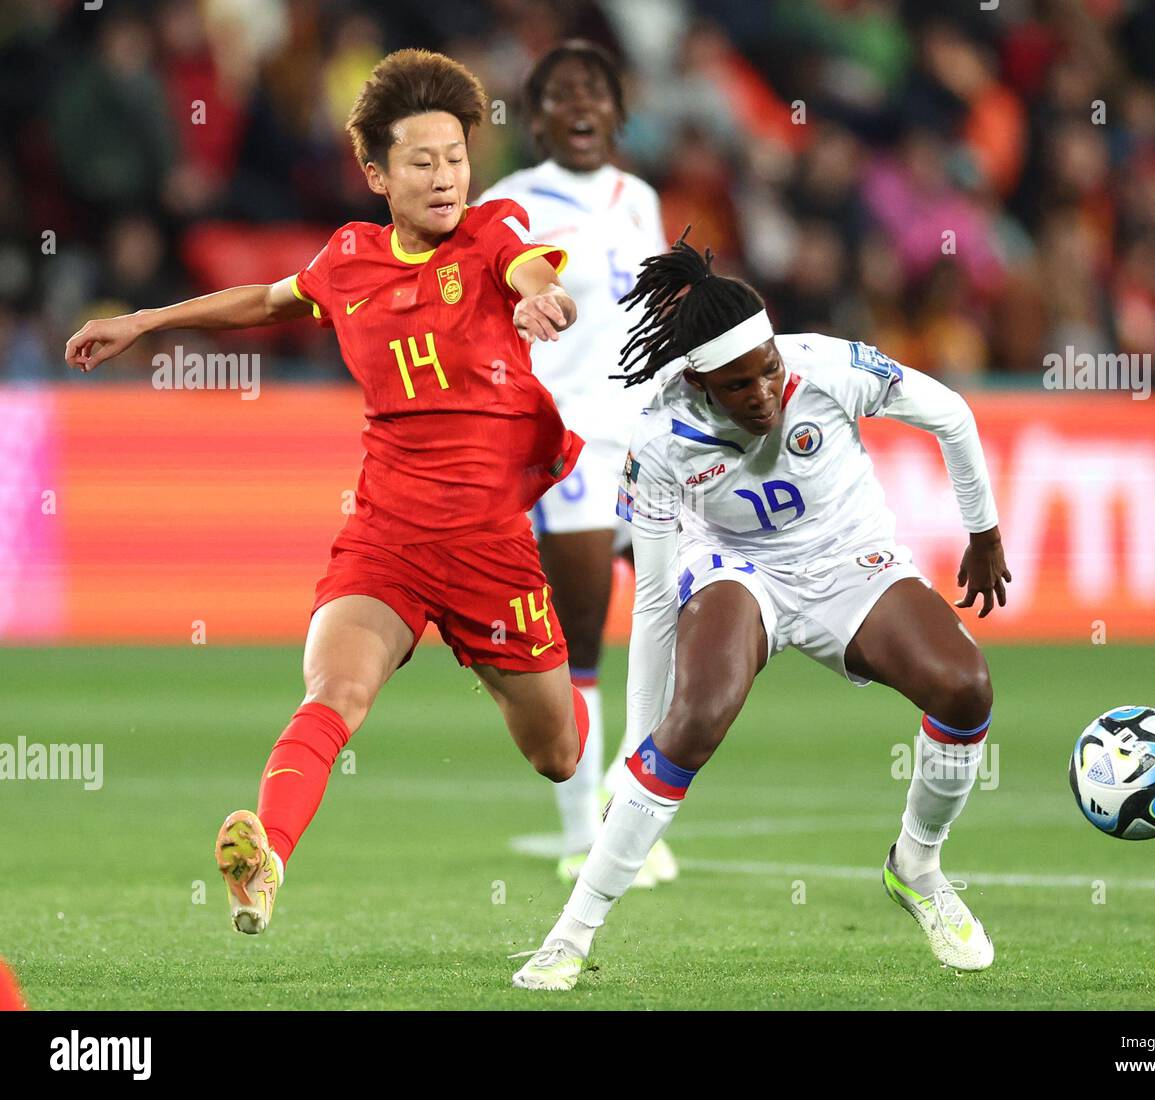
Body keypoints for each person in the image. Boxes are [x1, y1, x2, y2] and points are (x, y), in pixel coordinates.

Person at [65, 49, 591, 936]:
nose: (444, 177)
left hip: (490, 551)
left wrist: (546, 298)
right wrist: (149, 320)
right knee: (332, 694)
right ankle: (265, 856)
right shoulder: (347, 260)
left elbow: (530, 270)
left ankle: (542, 690)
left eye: (456, 156)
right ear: (377, 174)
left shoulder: (494, 232)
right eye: (421, 162)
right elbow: (269, 301)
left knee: (559, 754)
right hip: (385, 534)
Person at [511, 232, 1011, 990]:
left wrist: (983, 530)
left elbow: (951, 414)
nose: (764, 393)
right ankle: (570, 936)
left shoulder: (829, 364)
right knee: (695, 721)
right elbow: (650, 601)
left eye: (769, 368)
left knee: (967, 686)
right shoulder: (657, 436)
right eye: (740, 385)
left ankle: (918, 865)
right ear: (701, 383)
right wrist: (641, 739)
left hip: (850, 557)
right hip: (737, 568)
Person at [480, 41, 677, 886]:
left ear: (618, 112)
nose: (581, 104)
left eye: (595, 90)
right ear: (536, 118)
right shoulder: (506, 205)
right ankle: (580, 838)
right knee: (582, 639)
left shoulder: (642, 199)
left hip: (653, 443)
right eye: (561, 94)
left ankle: (632, 821)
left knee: (671, 632)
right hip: (569, 444)